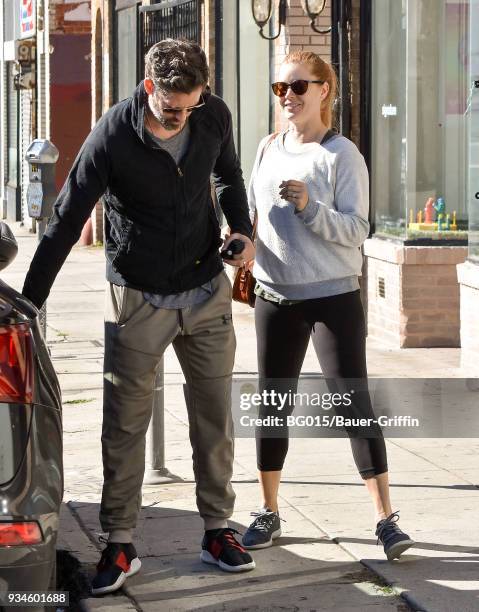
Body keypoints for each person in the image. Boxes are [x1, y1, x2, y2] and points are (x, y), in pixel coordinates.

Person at [22, 39, 256, 595]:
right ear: (149, 87)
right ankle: (121, 542)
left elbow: (228, 174)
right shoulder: (111, 137)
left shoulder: (212, 115)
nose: (181, 117)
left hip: (205, 288)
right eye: (172, 107)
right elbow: (65, 218)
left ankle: (217, 530)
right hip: (139, 295)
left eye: (191, 106)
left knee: (214, 418)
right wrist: (29, 305)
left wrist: (241, 229)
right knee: (125, 424)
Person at [241, 51, 415, 562]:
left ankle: (385, 520)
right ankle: (269, 510)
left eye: (298, 87)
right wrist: (243, 247)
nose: (288, 97)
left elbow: (358, 230)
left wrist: (308, 208)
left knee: (353, 404)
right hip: (275, 296)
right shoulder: (267, 148)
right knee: (273, 407)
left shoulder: (342, 155)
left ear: (324, 90)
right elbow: (255, 218)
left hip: (333, 297)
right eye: (280, 89)